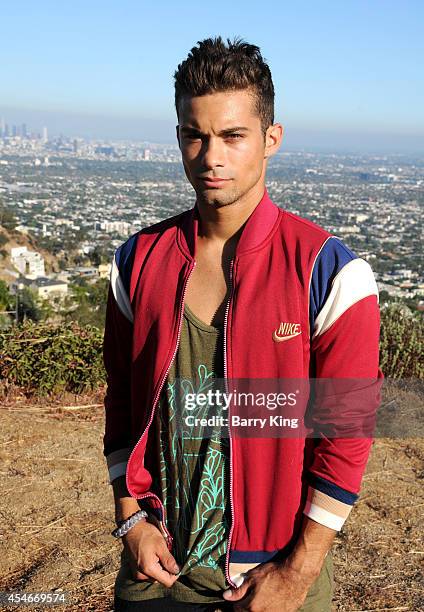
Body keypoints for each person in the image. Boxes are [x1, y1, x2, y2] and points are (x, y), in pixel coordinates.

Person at [103, 37, 382, 611]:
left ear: (270, 139)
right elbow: (123, 408)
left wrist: (297, 573)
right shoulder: (137, 264)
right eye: (194, 135)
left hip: (272, 578)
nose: (212, 156)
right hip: (156, 574)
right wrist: (130, 520)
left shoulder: (329, 274)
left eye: (233, 136)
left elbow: (346, 436)